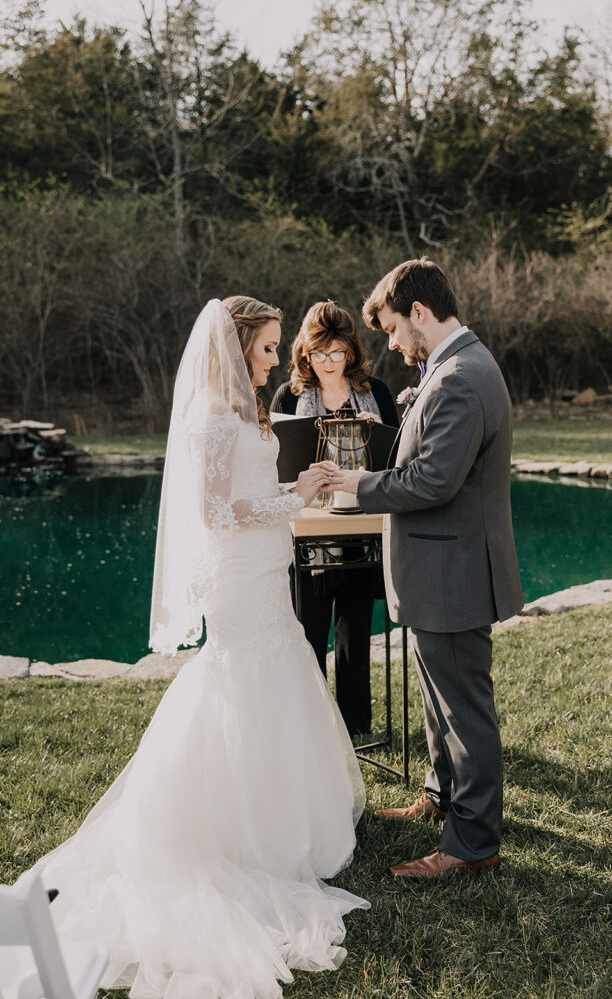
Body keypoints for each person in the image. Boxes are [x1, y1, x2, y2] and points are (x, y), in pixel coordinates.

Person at [33, 296, 369, 999]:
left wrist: (286, 491)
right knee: (242, 682)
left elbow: (246, 492)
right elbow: (213, 513)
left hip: (265, 571)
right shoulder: (214, 417)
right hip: (239, 582)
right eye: (271, 346)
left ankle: (283, 817)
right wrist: (294, 498)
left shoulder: (243, 410)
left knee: (277, 676)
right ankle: (236, 831)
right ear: (239, 344)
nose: (279, 359)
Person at [325, 259, 523, 880]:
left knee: (464, 708)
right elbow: (431, 452)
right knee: (440, 700)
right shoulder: (449, 367)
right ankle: (441, 795)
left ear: (418, 313)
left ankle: (471, 844)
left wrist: (358, 481)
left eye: (390, 328)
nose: (389, 343)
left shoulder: (461, 375)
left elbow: (435, 479)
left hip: (454, 570)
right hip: (443, 568)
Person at [270, 301, 398, 738]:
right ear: (305, 353)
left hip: (361, 524)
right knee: (308, 630)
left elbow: (396, 456)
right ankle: (313, 731)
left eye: (337, 353)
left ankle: (356, 726)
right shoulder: (288, 396)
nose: (327, 363)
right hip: (306, 530)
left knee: (355, 626)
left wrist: (372, 431)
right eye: (318, 354)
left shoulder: (376, 392)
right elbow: (276, 467)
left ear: (351, 352)